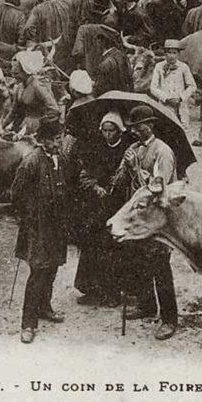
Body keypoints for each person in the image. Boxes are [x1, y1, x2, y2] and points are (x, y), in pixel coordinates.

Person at [111, 104, 179, 341]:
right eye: (132, 127)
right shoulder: (132, 148)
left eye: (138, 127)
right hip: (138, 218)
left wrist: (136, 168)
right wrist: (125, 166)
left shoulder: (163, 152)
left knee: (160, 266)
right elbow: (118, 183)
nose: (134, 131)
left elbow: (156, 189)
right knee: (138, 261)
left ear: (149, 126)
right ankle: (147, 305)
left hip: (159, 219)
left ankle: (169, 319)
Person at [12, 117, 72, 344]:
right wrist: (29, 215)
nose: (59, 143)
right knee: (38, 272)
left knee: (53, 267)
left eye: (60, 138)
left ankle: (45, 307)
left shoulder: (61, 159)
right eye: (55, 140)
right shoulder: (31, 162)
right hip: (37, 227)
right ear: (43, 140)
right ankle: (28, 323)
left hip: (56, 225)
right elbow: (16, 193)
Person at [73, 111, 133, 307]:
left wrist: (122, 178)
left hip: (118, 205)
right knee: (93, 247)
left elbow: (132, 178)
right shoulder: (95, 147)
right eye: (104, 130)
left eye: (111, 131)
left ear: (119, 130)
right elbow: (85, 174)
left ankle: (114, 292)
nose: (107, 134)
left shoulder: (127, 149)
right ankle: (93, 290)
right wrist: (95, 187)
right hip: (97, 206)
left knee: (114, 249)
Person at [0, 50, 59, 134]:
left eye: (16, 73)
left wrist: (38, 122)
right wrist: (2, 126)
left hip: (36, 130)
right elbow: (14, 110)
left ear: (26, 72)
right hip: (19, 127)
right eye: (13, 74)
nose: (13, 77)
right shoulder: (19, 87)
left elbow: (55, 110)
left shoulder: (37, 86)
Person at [149, 39, 196, 121]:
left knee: (181, 127)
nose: (171, 56)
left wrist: (181, 98)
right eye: (169, 52)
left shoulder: (183, 67)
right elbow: (153, 87)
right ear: (165, 53)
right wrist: (166, 98)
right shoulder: (159, 66)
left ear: (178, 54)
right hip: (164, 105)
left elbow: (192, 86)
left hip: (180, 105)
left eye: (174, 53)